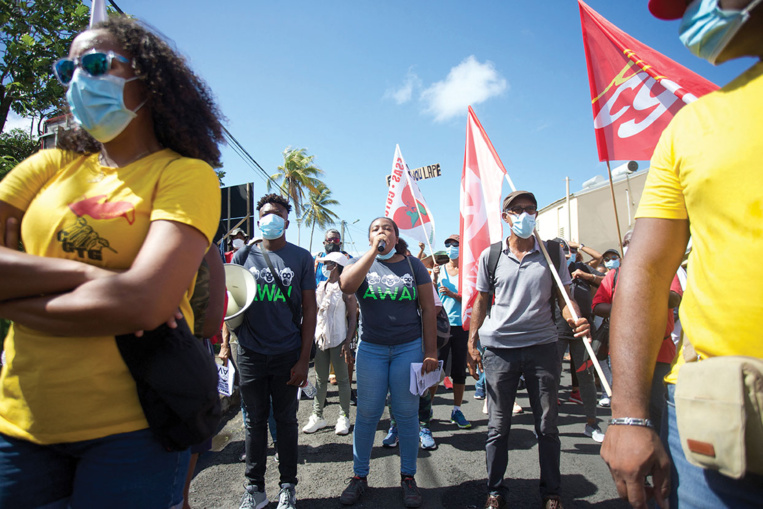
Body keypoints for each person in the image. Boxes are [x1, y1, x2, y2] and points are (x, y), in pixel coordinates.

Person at [0, 16, 223, 508]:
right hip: (19, 425)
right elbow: (129, 295)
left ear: (148, 76)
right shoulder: (50, 166)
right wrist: (91, 278)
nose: (80, 78)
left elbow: (146, 302)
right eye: (69, 68)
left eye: (97, 63)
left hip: (136, 432)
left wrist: (12, 298)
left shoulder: (185, 175)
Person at [601, 1, 763, 507]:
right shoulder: (690, 128)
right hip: (721, 420)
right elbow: (646, 267)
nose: (691, 14)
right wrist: (628, 415)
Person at [467, 191, 590, 509]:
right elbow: (481, 300)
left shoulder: (551, 253)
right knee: (498, 426)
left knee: (547, 426)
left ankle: (552, 494)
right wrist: (472, 341)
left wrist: (576, 317)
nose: (525, 215)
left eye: (530, 210)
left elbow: (565, 298)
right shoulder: (490, 256)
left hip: (542, 349)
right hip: (499, 351)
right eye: (517, 210)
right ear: (505, 217)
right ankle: (495, 491)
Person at [338, 217, 438, 508]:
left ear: (396, 237)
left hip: (408, 349)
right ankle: (359, 476)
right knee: (368, 413)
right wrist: (372, 253)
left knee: (406, 414)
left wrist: (430, 350)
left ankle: (408, 476)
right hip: (372, 350)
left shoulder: (412, 265)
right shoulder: (359, 262)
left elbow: (428, 307)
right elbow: (346, 286)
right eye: (376, 229)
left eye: (388, 229)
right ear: (369, 236)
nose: (382, 232)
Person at [233, 193, 317, 509]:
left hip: (287, 354)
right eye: (266, 213)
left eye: (278, 213)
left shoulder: (301, 258)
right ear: (259, 220)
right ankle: (254, 489)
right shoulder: (242, 257)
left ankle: (287, 487)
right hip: (251, 353)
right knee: (254, 423)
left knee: (286, 421)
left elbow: (310, 310)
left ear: (286, 220)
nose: (271, 217)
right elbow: (231, 304)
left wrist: (303, 360)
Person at [592, 231, 682, 434]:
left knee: (658, 408)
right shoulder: (614, 276)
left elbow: (675, 299)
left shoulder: (665, 270)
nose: (630, 245)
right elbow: (598, 305)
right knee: (627, 409)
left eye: (635, 242)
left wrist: (647, 284)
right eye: (626, 243)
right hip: (625, 353)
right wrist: (623, 305)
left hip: (659, 351)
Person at [551, 238, 604, 442]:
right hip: (556, 330)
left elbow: (605, 279)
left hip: (583, 329)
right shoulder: (549, 269)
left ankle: (592, 423)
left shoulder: (581, 267)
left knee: (586, 375)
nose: (567, 257)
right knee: (551, 377)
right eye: (563, 255)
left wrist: (587, 275)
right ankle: (548, 425)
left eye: (569, 254)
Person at [302, 252, 357, 436]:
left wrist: (348, 341)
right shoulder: (321, 286)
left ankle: (344, 416)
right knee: (320, 379)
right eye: (325, 263)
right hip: (321, 339)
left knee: (342, 380)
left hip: (339, 338)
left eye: (329, 264)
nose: (325, 267)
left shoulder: (345, 289)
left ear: (337, 266)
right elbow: (315, 312)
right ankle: (317, 415)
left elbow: (353, 318)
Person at [432, 234, 472, 430]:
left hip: (461, 326)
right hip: (441, 326)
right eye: (447, 244)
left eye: (455, 244)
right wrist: (432, 278)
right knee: (434, 369)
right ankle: (427, 410)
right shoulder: (439, 271)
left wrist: (454, 295)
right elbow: (430, 296)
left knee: (458, 371)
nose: (451, 247)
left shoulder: (467, 271)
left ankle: (456, 410)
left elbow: (473, 300)